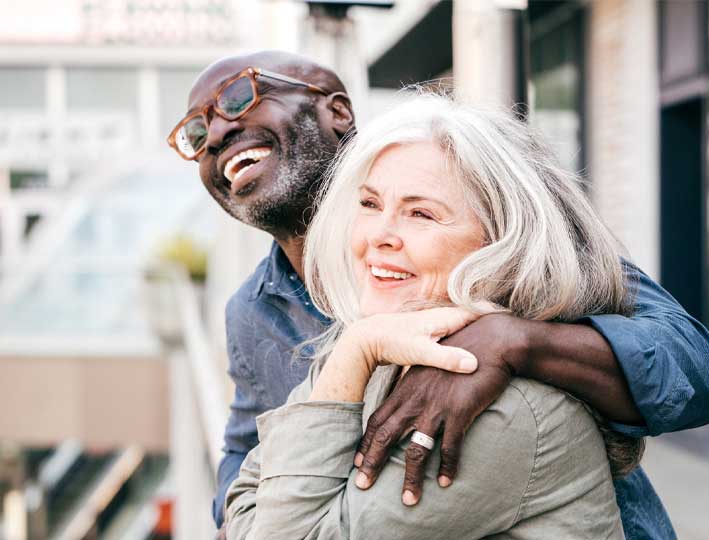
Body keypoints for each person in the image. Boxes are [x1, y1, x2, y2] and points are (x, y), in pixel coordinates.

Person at [168, 51, 709, 540]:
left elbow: (695, 370)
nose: (215, 134)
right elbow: (245, 458)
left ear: (337, 112)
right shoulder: (253, 310)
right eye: (196, 133)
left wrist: (511, 341)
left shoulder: (528, 259)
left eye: (240, 96)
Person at [225, 94, 641, 537]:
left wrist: (354, 352)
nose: (378, 236)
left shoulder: (509, 410)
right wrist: (355, 351)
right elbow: (242, 496)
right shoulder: (378, 345)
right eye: (369, 204)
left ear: (499, 240)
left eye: (420, 214)